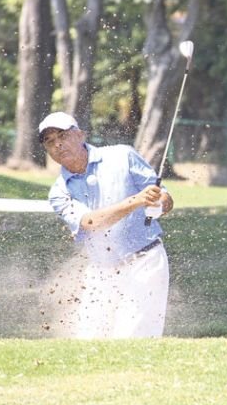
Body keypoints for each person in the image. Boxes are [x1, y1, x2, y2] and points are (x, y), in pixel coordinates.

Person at [39, 112, 174, 338]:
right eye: (49, 141)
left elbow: (165, 198)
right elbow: (91, 222)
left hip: (145, 262)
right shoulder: (59, 192)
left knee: (133, 339)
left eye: (62, 135)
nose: (58, 144)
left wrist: (160, 202)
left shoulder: (123, 155)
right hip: (100, 271)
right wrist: (137, 200)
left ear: (81, 135)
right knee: (89, 341)